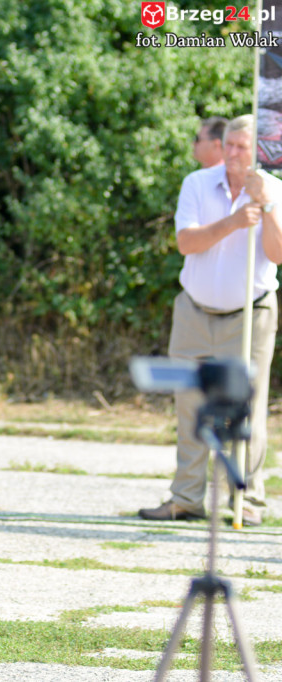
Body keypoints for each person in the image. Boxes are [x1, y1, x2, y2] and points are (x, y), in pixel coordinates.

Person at [139, 115, 282, 527]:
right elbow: (187, 242)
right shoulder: (197, 183)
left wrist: (266, 206)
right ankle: (186, 498)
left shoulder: (274, 189)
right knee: (189, 406)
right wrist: (234, 222)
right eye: (229, 145)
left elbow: (277, 253)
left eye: (243, 147)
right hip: (195, 311)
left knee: (247, 408)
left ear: (258, 151)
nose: (234, 153)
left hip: (250, 314)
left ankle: (246, 500)